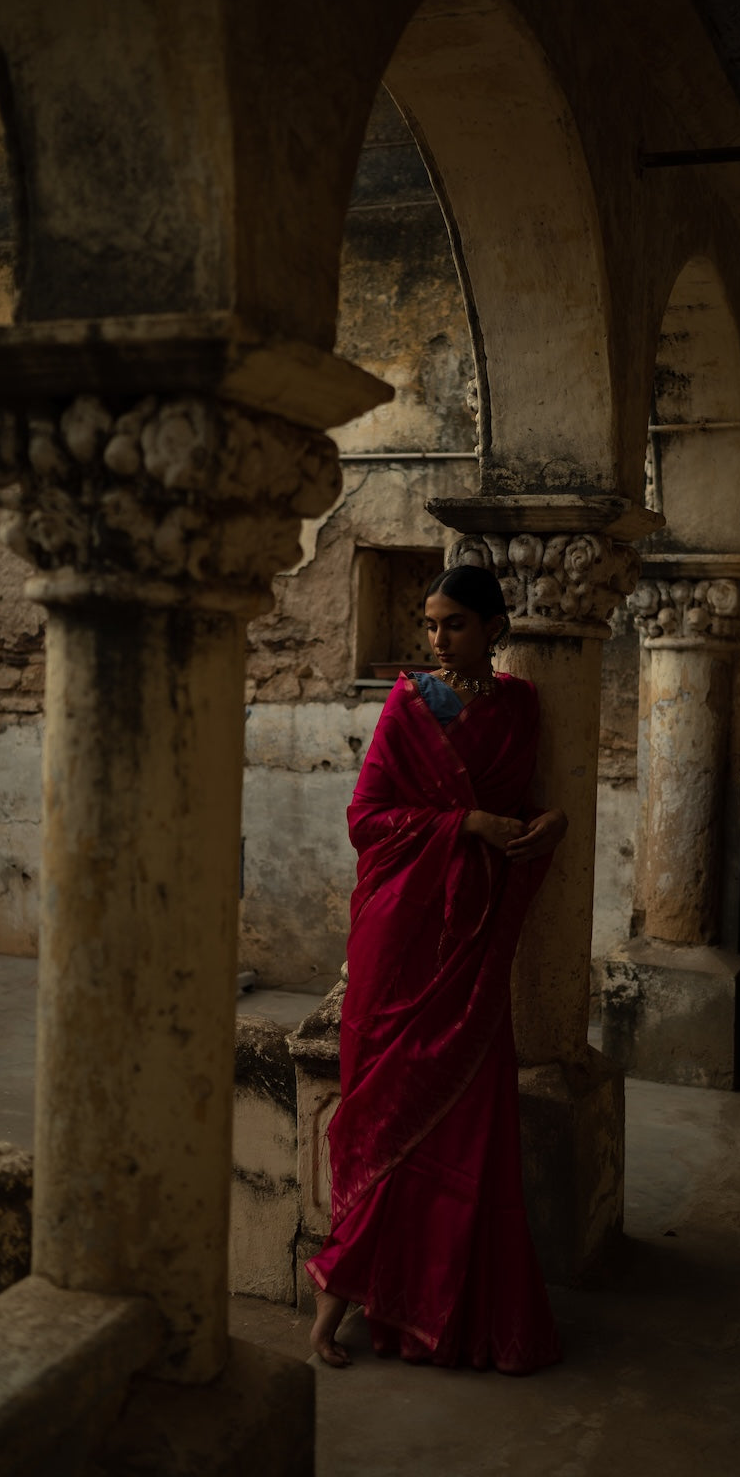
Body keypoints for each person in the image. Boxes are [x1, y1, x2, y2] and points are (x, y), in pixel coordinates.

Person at [306, 562, 567, 1373]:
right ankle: (329, 1312)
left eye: (453, 623)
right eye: (429, 624)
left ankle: (446, 1317)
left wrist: (541, 820)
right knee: (384, 1113)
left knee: (464, 1128)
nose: (436, 638)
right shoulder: (409, 707)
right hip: (401, 938)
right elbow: (367, 819)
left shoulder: (521, 706)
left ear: (495, 628)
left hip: (472, 946)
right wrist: (465, 825)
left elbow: (518, 808)